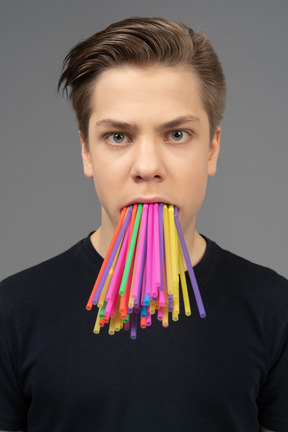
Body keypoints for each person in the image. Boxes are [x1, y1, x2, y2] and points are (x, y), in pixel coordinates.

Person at [0, 16, 287, 432]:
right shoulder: (12, 312)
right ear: (86, 152)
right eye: (118, 136)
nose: (148, 167)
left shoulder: (273, 307)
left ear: (212, 150)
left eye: (177, 135)